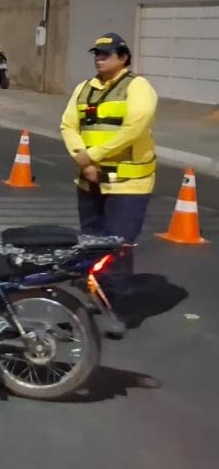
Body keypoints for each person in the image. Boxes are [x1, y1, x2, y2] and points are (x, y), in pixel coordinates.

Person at [60, 32, 158, 282]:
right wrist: (84, 160)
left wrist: (91, 156)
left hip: (127, 185)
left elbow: (133, 129)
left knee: (118, 246)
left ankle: (117, 300)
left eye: (106, 54)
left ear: (123, 58)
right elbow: (68, 126)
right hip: (89, 179)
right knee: (91, 241)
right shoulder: (84, 88)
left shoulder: (138, 87)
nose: (99, 59)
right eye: (97, 54)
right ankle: (94, 291)